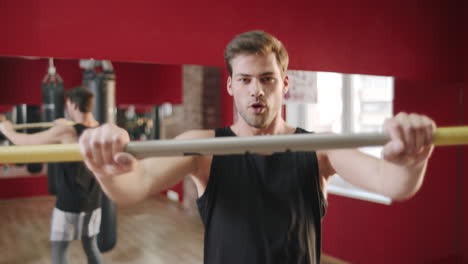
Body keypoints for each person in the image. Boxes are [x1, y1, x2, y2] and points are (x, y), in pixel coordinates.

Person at [78, 31, 435, 264]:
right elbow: (133, 188)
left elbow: (394, 184)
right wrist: (105, 167)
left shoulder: (319, 148)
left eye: (267, 79)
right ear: (232, 86)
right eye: (246, 80)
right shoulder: (205, 148)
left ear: (285, 84)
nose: (257, 90)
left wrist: (413, 159)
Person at [0, 86, 103, 264]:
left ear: (74, 105)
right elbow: (80, 127)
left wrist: (6, 129)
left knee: (59, 250)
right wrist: (65, 124)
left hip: (69, 204)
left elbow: (25, 143)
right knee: (91, 248)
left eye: (68, 105)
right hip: (93, 202)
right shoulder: (100, 129)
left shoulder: (67, 132)